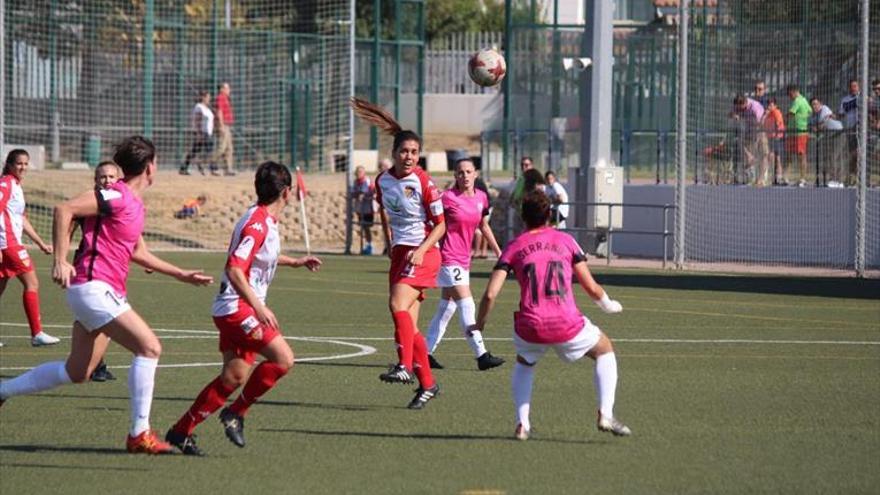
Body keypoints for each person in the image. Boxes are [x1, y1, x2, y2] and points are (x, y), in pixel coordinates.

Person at [0, 136, 214, 454]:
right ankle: (139, 434)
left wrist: (181, 274)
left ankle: (3, 390)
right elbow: (64, 209)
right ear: (150, 167)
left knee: (77, 372)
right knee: (150, 348)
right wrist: (60, 260)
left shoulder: (134, 204)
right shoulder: (117, 195)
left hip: (101, 291)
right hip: (93, 287)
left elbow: (138, 252)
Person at [165, 162, 322, 455]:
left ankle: (180, 431)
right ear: (287, 192)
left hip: (231, 307)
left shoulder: (261, 220)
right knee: (284, 359)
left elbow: (260, 255)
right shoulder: (258, 224)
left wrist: (295, 261)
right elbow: (236, 268)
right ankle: (236, 413)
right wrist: (258, 306)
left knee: (234, 376)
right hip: (237, 308)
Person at [471, 190, 631, 441]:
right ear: (549, 216)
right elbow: (590, 286)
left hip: (531, 325)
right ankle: (606, 413)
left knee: (525, 363)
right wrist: (608, 305)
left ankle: (522, 424)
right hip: (567, 323)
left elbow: (490, 294)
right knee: (604, 350)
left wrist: (479, 323)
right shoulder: (566, 241)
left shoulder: (513, 247)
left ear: (523, 218)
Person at [350, 97, 444, 410]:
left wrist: (420, 250)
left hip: (426, 251)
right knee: (407, 323)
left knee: (396, 304)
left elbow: (441, 226)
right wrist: (392, 243)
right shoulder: (382, 181)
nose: (409, 157)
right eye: (404, 151)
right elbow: (388, 214)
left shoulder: (424, 181)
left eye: (415, 153)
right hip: (402, 252)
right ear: (393, 153)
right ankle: (428, 384)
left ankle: (404, 367)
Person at [424, 158, 504, 371]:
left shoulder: (481, 198)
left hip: (463, 260)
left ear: (475, 174)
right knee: (467, 305)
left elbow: (483, 226)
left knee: (446, 308)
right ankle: (481, 355)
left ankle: (424, 353)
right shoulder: (448, 198)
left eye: (468, 172)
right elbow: (431, 221)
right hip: (448, 258)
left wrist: (498, 252)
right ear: (455, 176)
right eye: (460, 172)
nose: (465, 176)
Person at [0, 149, 61, 348]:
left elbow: (22, 219)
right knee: (32, 283)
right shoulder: (6, 183)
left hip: (10, 243)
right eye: (19, 163)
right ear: (9, 164)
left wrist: (41, 243)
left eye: (26, 163)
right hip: (8, 244)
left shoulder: (16, 185)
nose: (23, 167)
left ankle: (37, 334)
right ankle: (37, 334)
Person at [70, 161, 123, 382]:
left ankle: (90, 363)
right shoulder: (90, 201)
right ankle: (94, 365)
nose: (107, 181)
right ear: (95, 180)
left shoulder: (121, 201)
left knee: (97, 318)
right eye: (103, 177)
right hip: (88, 267)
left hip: (113, 266)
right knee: (101, 316)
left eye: (111, 177)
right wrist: (61, 258)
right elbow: (69, 221)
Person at [731, 94, 768, 185]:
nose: (739, 109)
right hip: (749, 130)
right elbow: (730, 113)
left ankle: (761, 179)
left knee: (763, 154)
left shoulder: (755, 108)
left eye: (740, 107)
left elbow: (760, 123)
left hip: (761, 130)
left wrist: (755, 135)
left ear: (744, 103)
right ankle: (751, 177)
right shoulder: (739, 105)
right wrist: (734, 115)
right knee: (747, 154)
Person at [809, 97, 845, 187]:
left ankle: (837, 180)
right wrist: (815, 127)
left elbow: (821, 125)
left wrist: (817, 127)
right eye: (813, 104)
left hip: (839, 134)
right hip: (830, 136)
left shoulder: (825, 109)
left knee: (834, 157)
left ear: (820, 104)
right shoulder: (814, 116)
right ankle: (835, 179)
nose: (815, 106)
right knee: (830, 158)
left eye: (816, 104)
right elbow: (812, 126)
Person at [181, 91, 215, 176]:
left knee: (195, 151)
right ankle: (211, 168)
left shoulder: (207, 108)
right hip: (202, 133)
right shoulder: (199, 107)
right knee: (208, 151)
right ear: (203, 97)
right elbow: (197, 120)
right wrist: (198, 133)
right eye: (207, 97)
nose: (209, 99)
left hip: (207, 133)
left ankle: (185, 168)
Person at [785, 84, 812, 187]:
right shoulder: (804, 100)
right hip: (796, 131)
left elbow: (791, 113)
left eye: (789, 94)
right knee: (792, 154)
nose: (789, 97)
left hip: (799, 132)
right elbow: (810, 111)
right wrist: (802, 118)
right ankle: (787, 177)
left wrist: (785, 118)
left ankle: (802, 178)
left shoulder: (797, 101)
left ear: (793, 91)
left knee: (801, 155)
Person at [838, 80, 860, 186]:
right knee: (852, 154)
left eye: (855, 86)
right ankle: (852, 176)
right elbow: (841, 113)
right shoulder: (845, 100)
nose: (853, 88)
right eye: (852, 86)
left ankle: (860, 177)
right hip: (850, 130)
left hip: (861, 130)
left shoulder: (864, 97)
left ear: (859, 86)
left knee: (859, 154)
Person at [214, 82, 236, 176]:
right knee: (221, 148)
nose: (229, 90)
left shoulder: (226, 98)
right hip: (223, 125)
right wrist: (221, 125)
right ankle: (214, 166)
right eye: (227, 88)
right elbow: (219, 111)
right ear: (222, 89)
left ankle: (228, 169)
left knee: (229, 148)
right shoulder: (220, 97)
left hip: (227, 125)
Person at [763, 97, 786, 186]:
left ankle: (778, 177)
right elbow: (762, 124)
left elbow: (778, 123)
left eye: (771, 105)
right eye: (768, 104)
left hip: (777, 138)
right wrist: (765, 114)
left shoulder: (776, 112)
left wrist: (776, 135)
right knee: (771, 156)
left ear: (775, 105)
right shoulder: (767, 114)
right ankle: (773, 176)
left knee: (776, 157)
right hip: (770, 137)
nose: (769, 106)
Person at [352, 166, 375, 255]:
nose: (359, 174)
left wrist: (359, 195)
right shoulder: (356, 182)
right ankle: (365, 246)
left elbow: (362, 193)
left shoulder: (366, 181)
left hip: (367, 209)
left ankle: (369, 246)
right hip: (360, 209)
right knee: (363, 227)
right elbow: (354, 193)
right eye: (357, 172)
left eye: (361, 172)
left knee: (367, 227)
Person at [472, 173, 491, 258]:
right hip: (480, 206)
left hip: (485, 206)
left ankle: (479, 251)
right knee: (481, 228)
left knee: (481, 228)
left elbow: (483, 198)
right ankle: (482, 251)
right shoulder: (475, 182)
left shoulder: (477, 183)